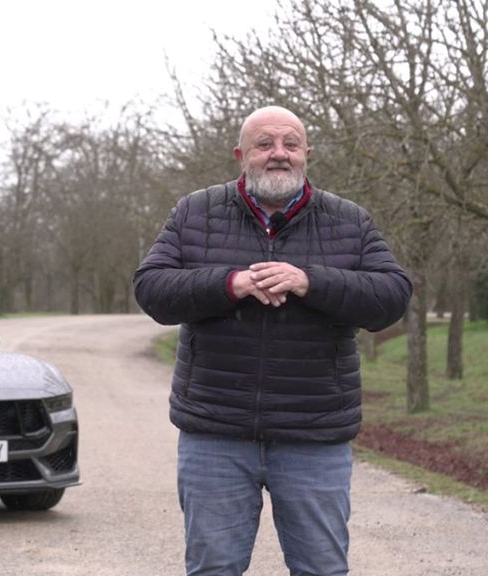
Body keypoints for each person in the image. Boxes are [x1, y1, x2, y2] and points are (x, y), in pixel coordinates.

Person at [133, 106, 412, 576]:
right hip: (215, 433)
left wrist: (310, 282)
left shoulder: (349, 221)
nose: (278, 154)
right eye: (265, 144)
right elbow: (152, 289)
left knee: (321, 569)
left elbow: (391, 297)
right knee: (213, 568)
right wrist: (231, 284)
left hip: (314, 436)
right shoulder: (194, 212)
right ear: (242, 155)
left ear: (307, 155)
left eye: (290, 144)